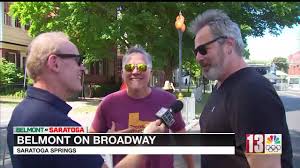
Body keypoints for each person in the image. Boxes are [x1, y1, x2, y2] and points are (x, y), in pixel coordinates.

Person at [6, 32, 167, 168]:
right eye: (78, 60)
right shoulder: (55, 123)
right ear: (54, 63)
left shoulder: (23, 111)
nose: (83, 68)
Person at [189, 9, 293, 168]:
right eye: (196, 51)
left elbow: (267, 164)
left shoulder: (253, 92)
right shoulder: (220, 87)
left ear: (229, 45)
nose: (198, 57)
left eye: (203, 49)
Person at [90, 45, 195, 168]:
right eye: (129, 67)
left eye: (141, 67)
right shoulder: (109, 103)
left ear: (150, 72)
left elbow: (182, 137)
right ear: (122, 73)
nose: (135, 72)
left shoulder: (167, 100)